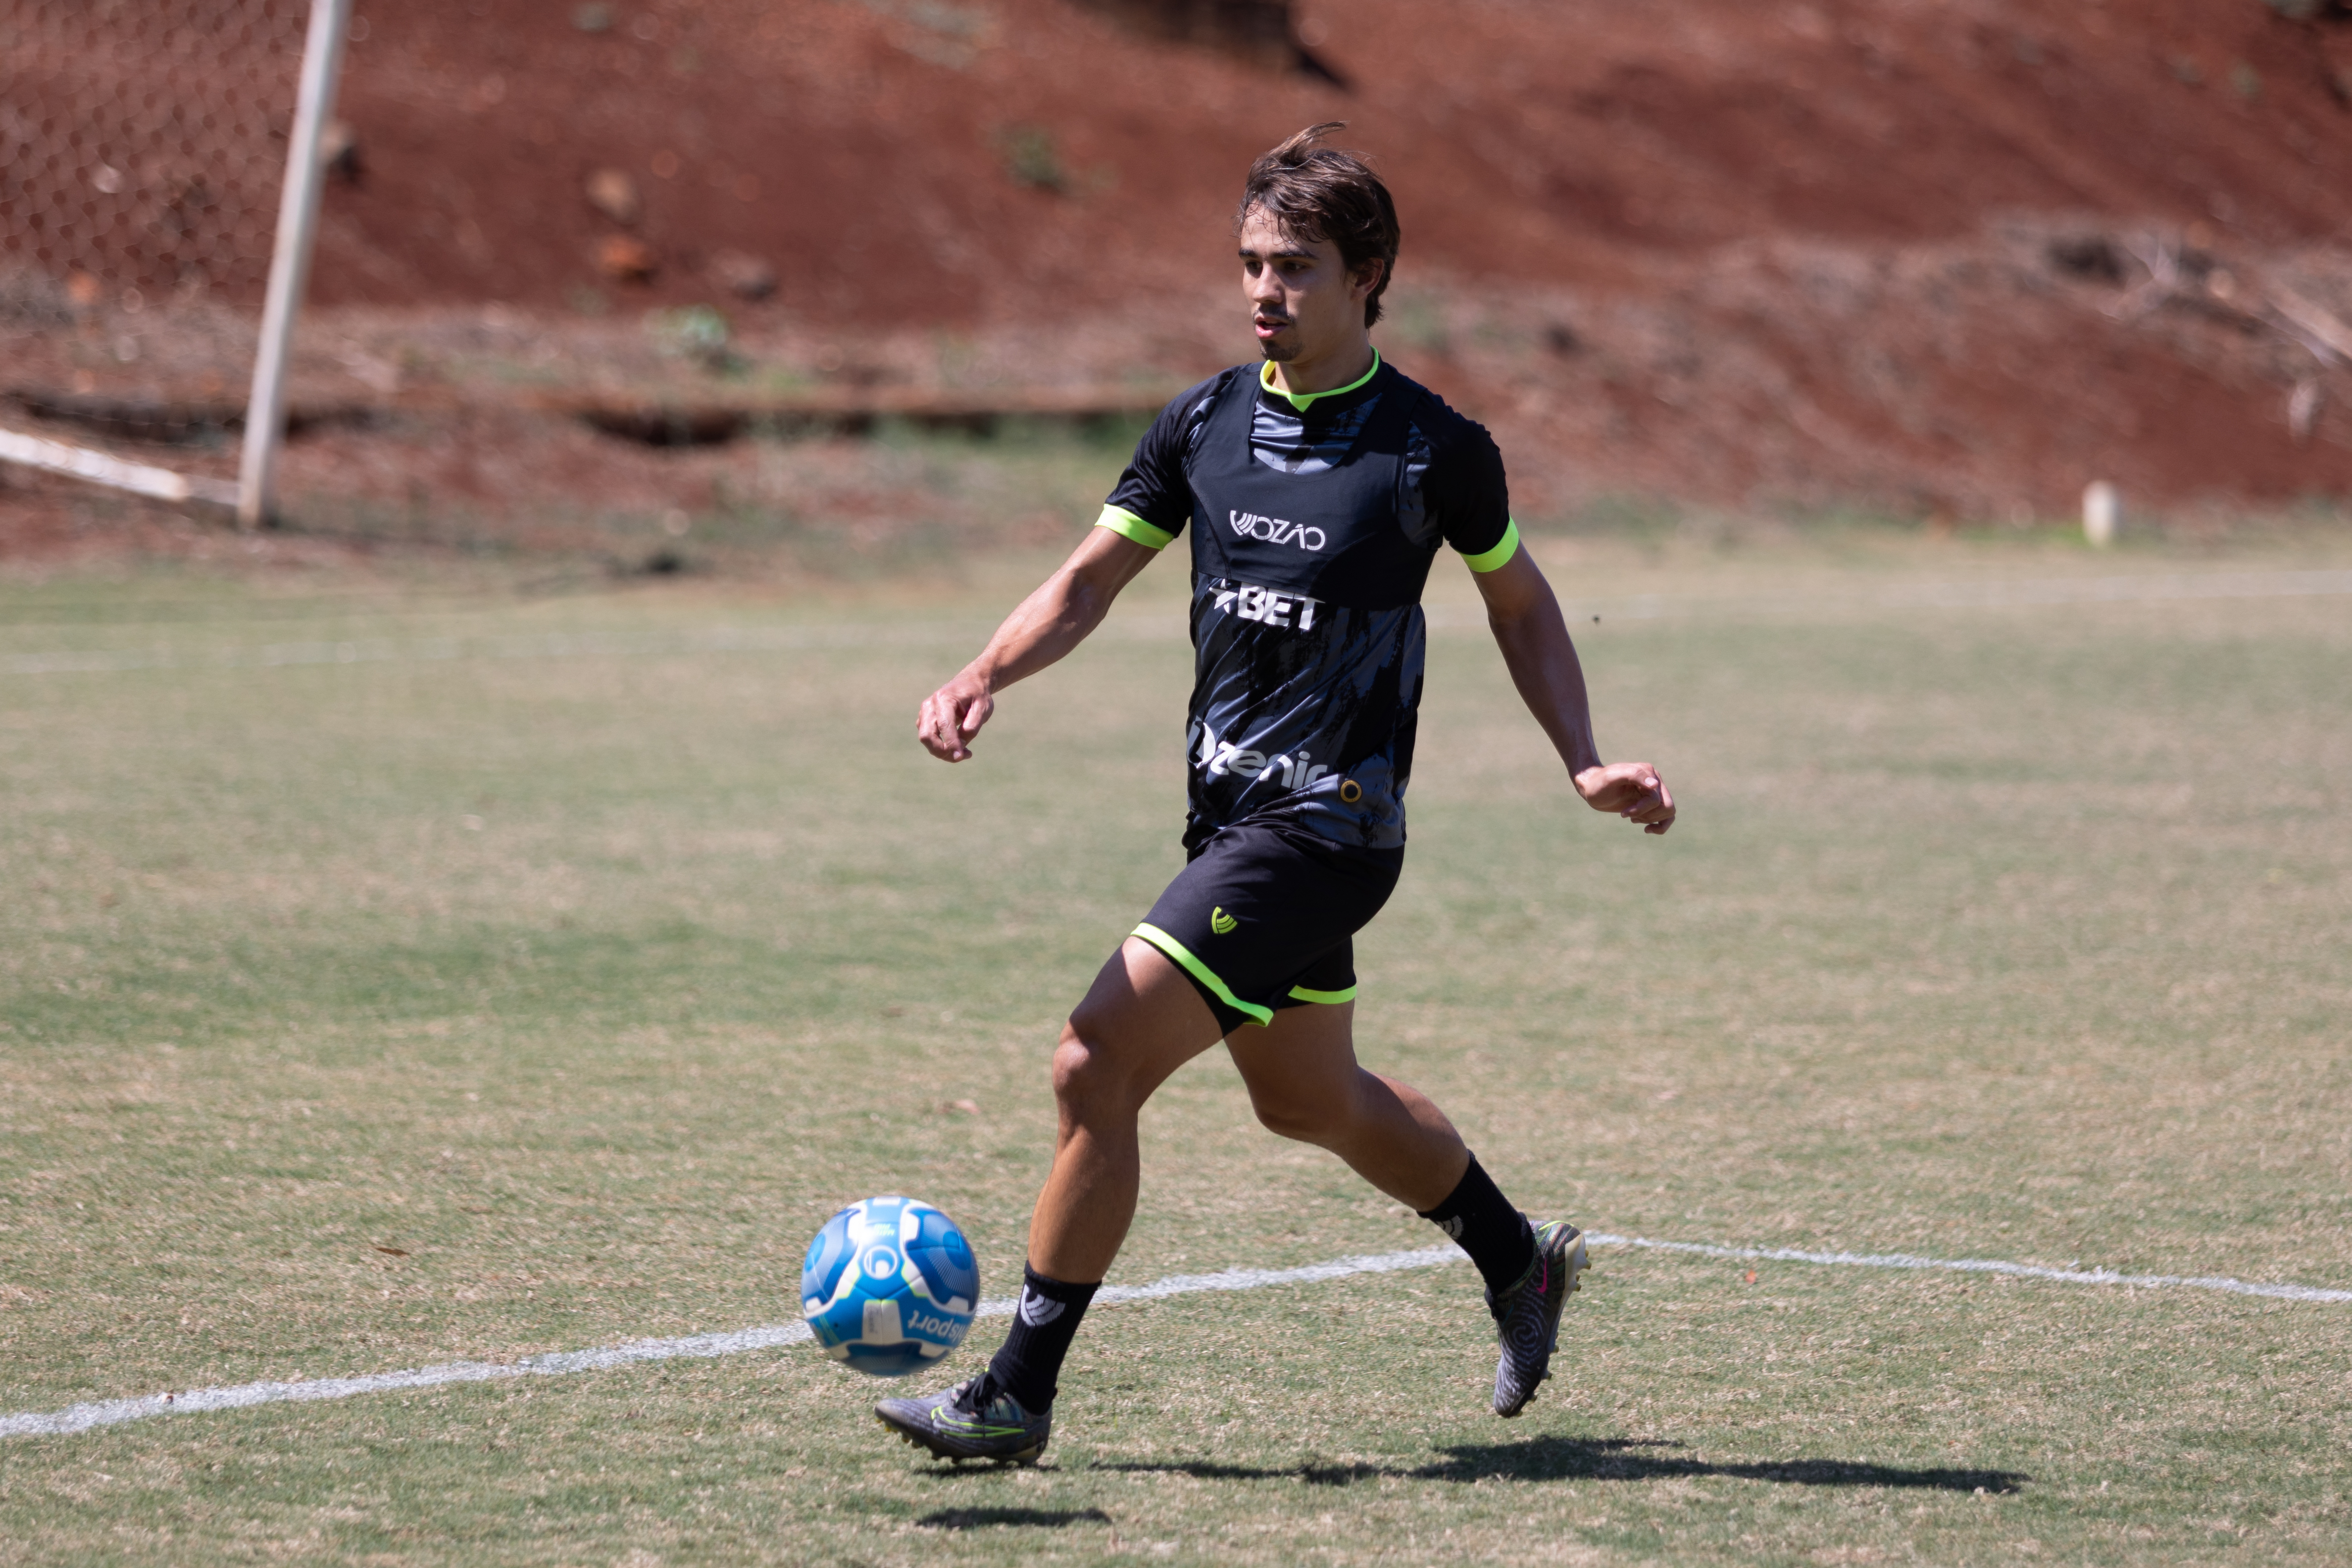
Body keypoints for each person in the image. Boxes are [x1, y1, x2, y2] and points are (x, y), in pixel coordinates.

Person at [878, 123, 1676, 1464]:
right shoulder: (1200, 422)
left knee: (1093, 1056)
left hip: (1329, 827)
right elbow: (1086, 581)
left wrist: (1581, 758)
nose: (1263, 289)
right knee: (1309, 1100)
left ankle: (1016, 1387)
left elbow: (1521, 605)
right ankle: (1516, 1259)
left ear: (1369, 276)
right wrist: (983, 667)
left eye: (1295, 266)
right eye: (1249, 263)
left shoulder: (1432, 450)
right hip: (1231, 819)